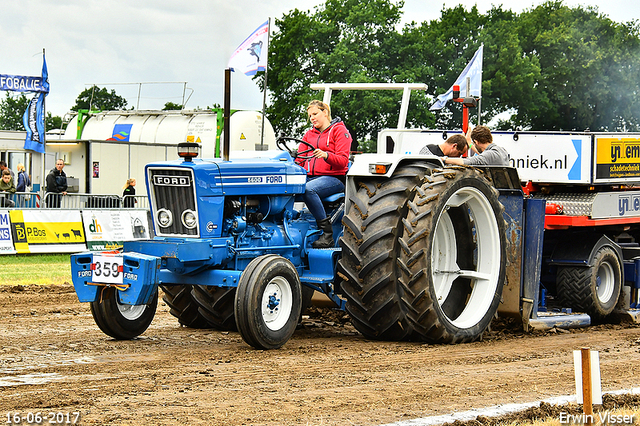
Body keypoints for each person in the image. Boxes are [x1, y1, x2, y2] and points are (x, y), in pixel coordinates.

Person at [297, 100, 351, 248]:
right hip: (312, 176)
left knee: (308, 190)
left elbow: (342, 161)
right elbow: (300, 158)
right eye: (310, 116)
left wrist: (326, 155)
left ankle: (327, 234)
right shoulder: (309, 134)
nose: (312, 118)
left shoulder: (340, 131)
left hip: (334, 178)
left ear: (325, 112)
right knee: (289, 186)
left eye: (315, 113)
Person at [445, 125, 509, 166]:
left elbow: (468, 162)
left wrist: (444, 159)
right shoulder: (502, 151)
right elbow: (483, 154)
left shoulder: (490, 155)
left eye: (474, 143)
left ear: (476, 142)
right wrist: (470, 144)